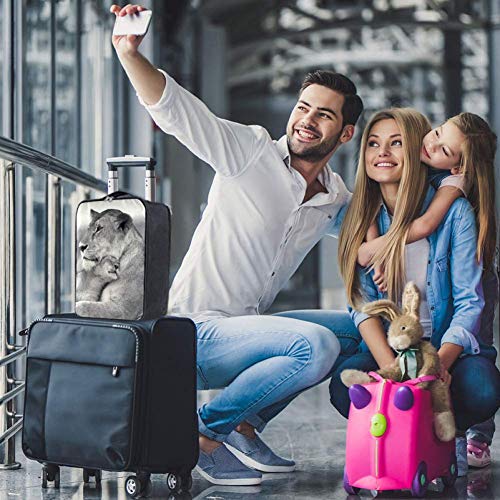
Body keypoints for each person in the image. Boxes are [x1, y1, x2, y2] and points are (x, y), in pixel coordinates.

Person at [110, 4, 364, 486]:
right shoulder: (249, 152)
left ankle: (246, 423)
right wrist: (128, 53)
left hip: (246, 329)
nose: (307, 120)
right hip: (194, 333)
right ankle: (202, 433)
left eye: (324, 115)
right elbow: (180, 112)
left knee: (355, 330)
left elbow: (386, 226)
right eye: (303, 107)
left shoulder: (333, 198)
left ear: (345, 133)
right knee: (316, 347)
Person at [327, 107, 499, 477]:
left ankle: (451, 432)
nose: (382, 152)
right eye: (373, 143)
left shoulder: (453, 210)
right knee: (343, 388)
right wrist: (391, 366)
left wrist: (434, 368)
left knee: (483, 389)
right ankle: (407, 433)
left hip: (444, 346)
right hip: (396, 346)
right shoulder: (362, 215)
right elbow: (363, 305)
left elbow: (471, 303)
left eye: (396, 143)